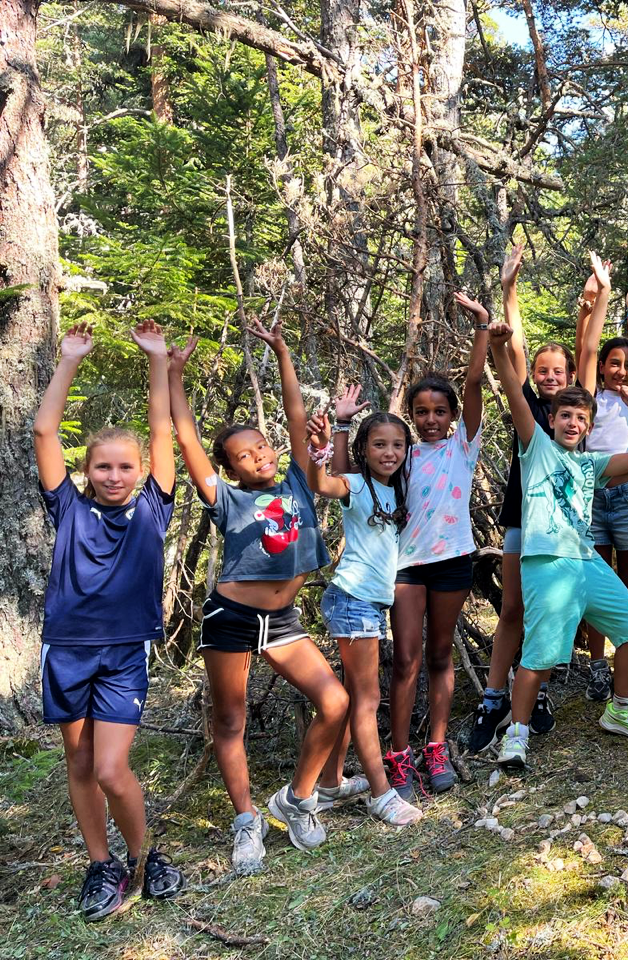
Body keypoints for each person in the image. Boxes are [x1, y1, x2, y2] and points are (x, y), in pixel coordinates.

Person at [169, 320, 350, 872]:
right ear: (230, 469)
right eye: (243, 456)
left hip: (285, 619)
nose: (258, 457)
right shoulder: (224, 499)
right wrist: (172, 373)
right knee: (229, 721)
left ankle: (296, 800)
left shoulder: (297, 478)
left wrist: (283, 350)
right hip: (232, 615)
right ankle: (247, 822)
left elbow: (296, 416)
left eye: (261, 447)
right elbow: (186, 440)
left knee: (336, 702)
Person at [34, 321, 185, 920]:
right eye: (103, 468)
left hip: (124, 652)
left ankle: (147, 857)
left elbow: (162, 428)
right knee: (79, 763)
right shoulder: (67, 508)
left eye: (125, 467)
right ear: (87, 472)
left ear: (140, 469)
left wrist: (156, 361)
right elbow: (45, 429)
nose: (115, 477)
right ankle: (103, 865)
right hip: (66, 649)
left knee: (110, 767)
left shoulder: (154, 508)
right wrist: (69, 359)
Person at [488, 302, 628, 771]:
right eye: (565, 416)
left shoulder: (590, 465)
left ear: (587, 426)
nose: (572, 423)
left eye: (580, 419)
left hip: (585, 561)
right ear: (553, 420)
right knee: (540, 653)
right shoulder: (536, 448)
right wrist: (501, 347)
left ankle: (621, 708)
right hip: (546, 562)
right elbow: (514, 394)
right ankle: (516, 735)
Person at [332, 297, 488, 798]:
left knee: (441, 657)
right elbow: (351, 482)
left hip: (453, 562)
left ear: (453, 416)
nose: (430, 419)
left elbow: (472, 383)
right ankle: (398, 755)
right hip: (406, 569)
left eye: (439, 411)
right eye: (421, 412)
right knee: (405, 661)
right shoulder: (401, 454)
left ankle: (436, 748)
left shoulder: (465, 444)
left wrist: (482, 326)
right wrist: (337, 429)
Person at [469, 241, 571, 753]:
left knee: (546, 614)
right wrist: (509, 289)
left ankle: (540, 691)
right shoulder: (527, 404)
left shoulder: (576, 413)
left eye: (560, 372)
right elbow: (514, 350)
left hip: (560, 531)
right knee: (512, 609)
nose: (550, 377)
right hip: (519, 519)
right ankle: (493, 696)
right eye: (545, 370)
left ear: (573, 380)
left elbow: (591, 351)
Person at [303, 397, 423, 828]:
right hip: (352, 599)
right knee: (368, 699)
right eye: (378, 445)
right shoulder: (357, 486)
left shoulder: (397, 490)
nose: (389, 453)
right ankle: (381, 793)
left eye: (397, 445)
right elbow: (326, 482)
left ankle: (333, 783)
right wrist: (331, 433)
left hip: (369, 603)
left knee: (358, 696)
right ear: (363, 450)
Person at [578, 255, 628, 701]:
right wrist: (600, 297)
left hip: (627, 495)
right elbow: (585, 349)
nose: (620, 370)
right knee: (594, 579)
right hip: (591, 495)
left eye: (626, 364)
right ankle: (597, 664)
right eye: (613, 363)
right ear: (602, 366)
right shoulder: (587, 398)